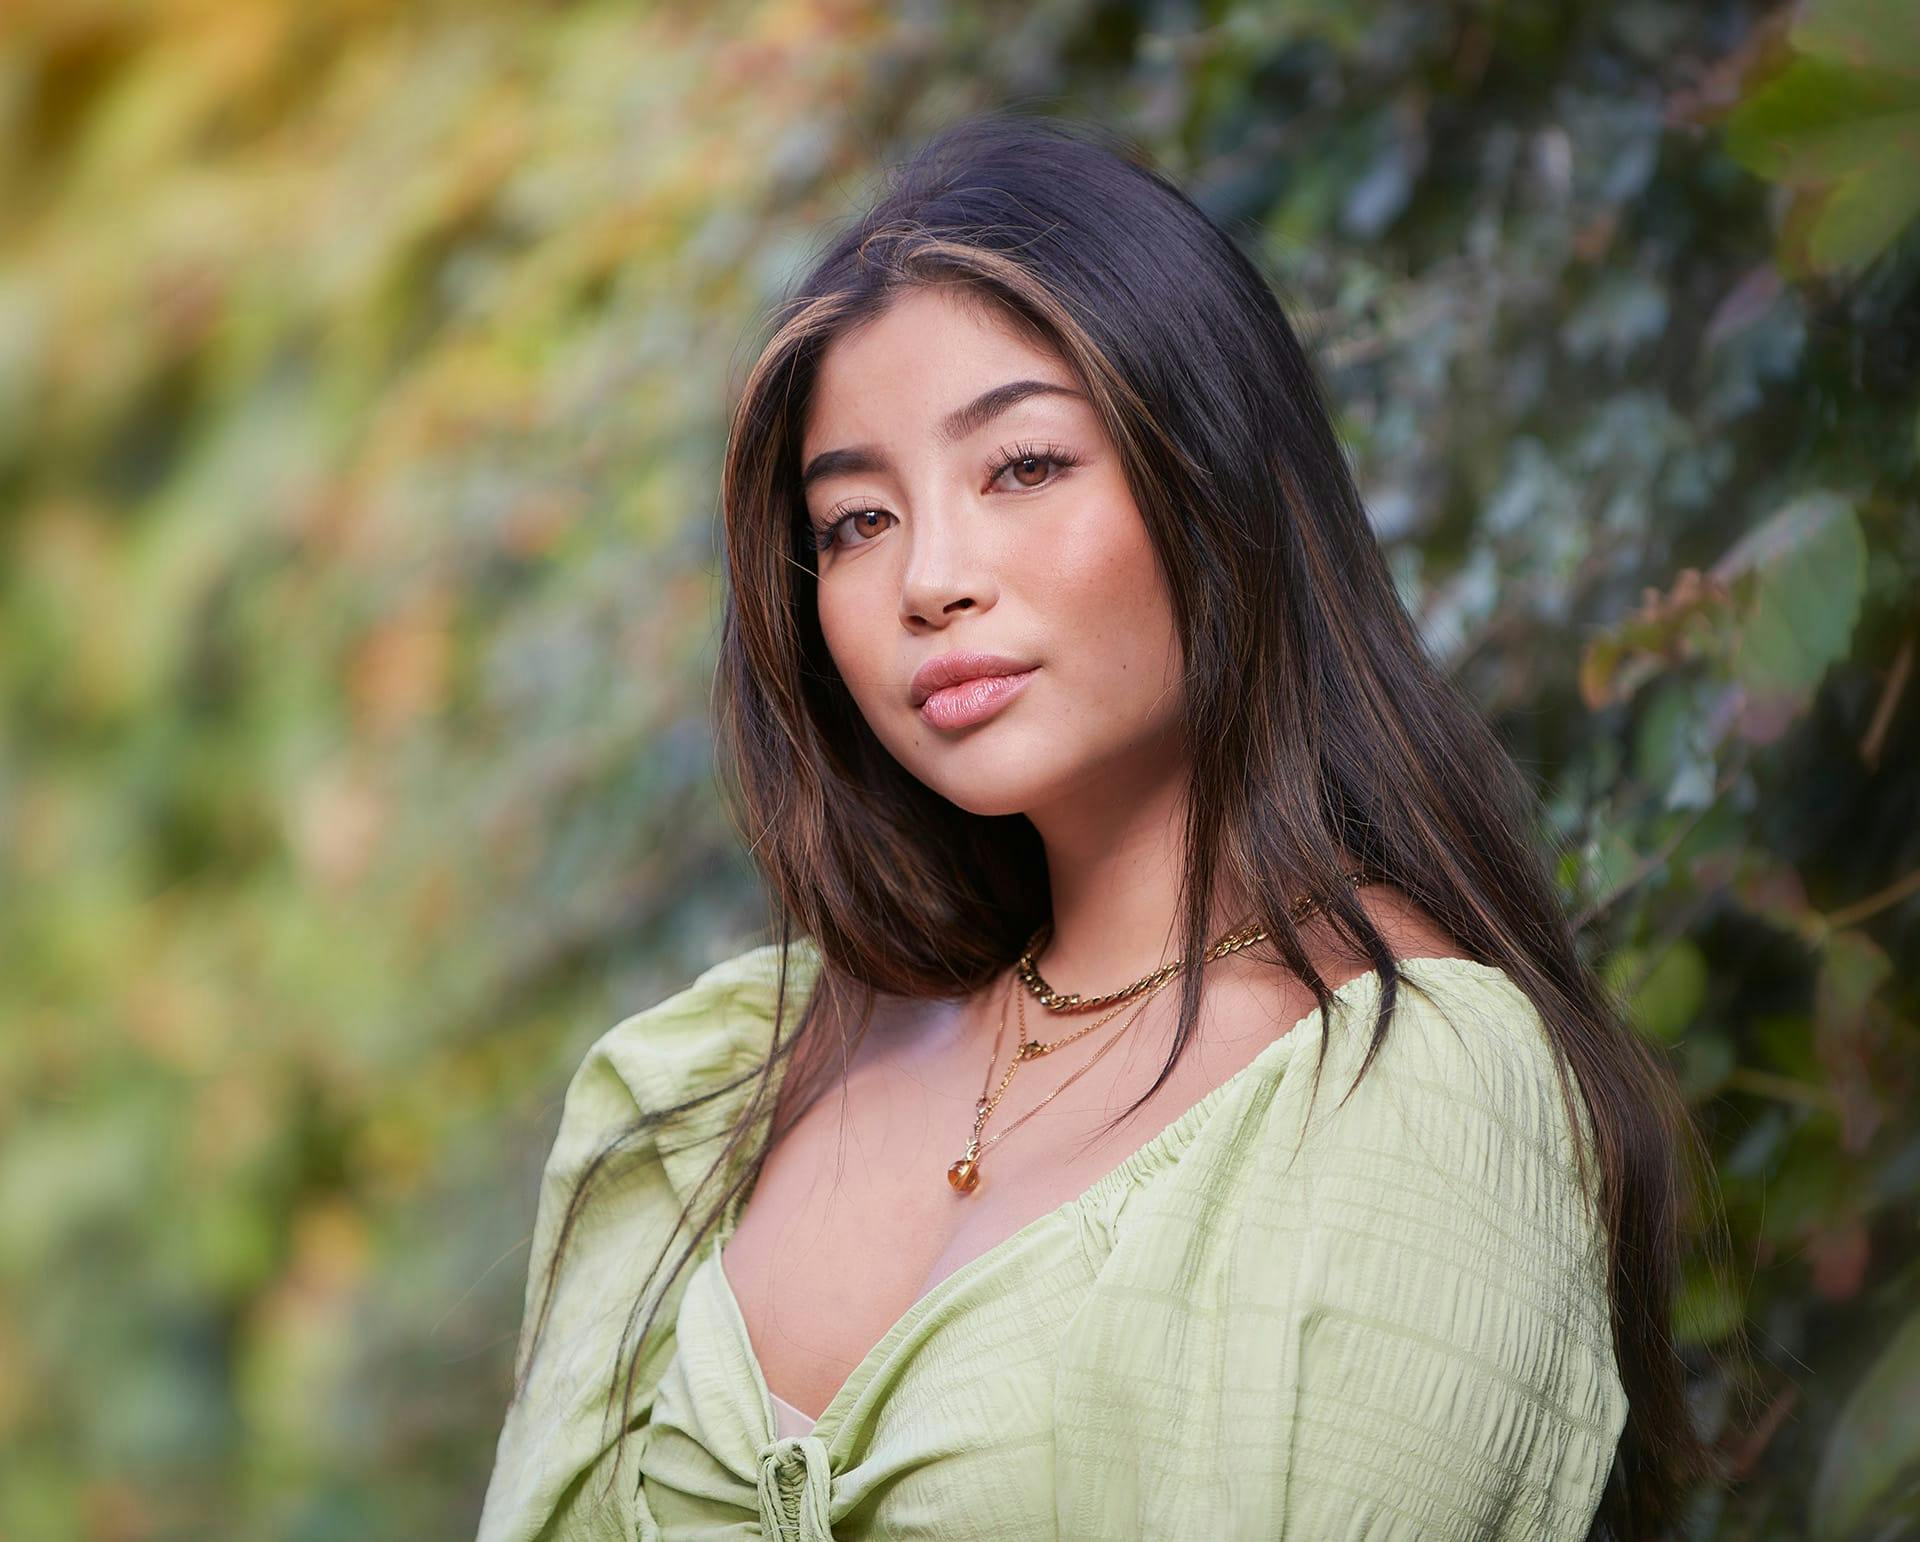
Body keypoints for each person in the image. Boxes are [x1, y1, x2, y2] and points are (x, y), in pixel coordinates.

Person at [476, 111, 1710, 1540]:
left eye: (1025, 466)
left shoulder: (1403, 1085)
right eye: (859, 521)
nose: (930, 579)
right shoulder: (709, 1086)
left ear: (1217, 476)